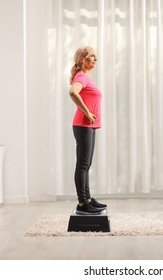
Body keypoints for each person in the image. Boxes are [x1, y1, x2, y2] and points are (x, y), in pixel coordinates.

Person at [68, 46, 107, 214]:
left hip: (88, 125)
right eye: (92, 56)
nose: (95, 59)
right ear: (83, 59)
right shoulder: (81, 77)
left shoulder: (86, 77)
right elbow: (72, 92)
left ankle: (88, 199)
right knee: (83, 164)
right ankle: (82, 203)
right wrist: (87, 111)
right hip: (83, 124)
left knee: (86, 164)